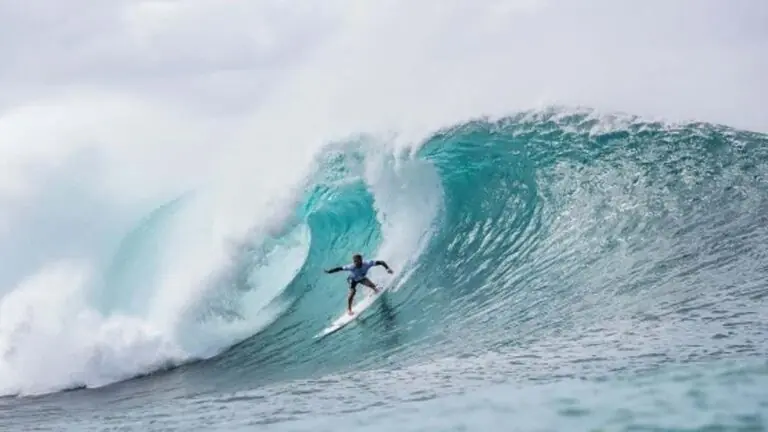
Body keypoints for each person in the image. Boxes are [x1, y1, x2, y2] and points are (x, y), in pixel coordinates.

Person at [325, 253, 393, 315]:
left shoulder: (367, 263)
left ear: (361, 260)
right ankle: (349, 310)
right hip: (353, 280)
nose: (356, 263)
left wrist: (387, 268)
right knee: (353, 292)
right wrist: (329, 271)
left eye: (357, 261)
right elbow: (339, 268)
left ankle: (375, 290)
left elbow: (381, 262)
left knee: (373, 286)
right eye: (355, 262)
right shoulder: (351, 267)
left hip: (362, 278)